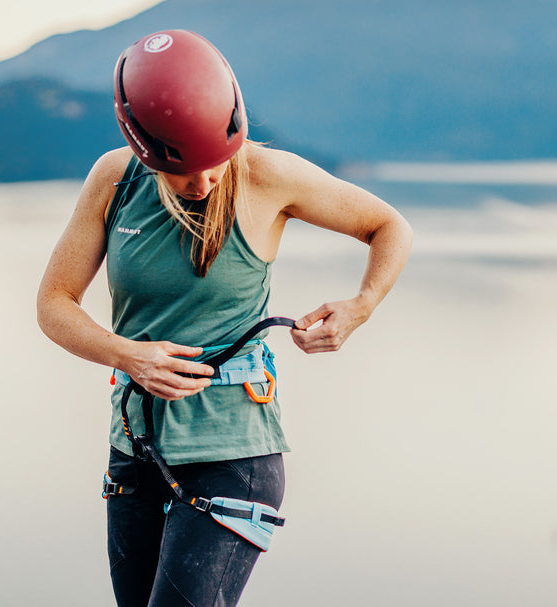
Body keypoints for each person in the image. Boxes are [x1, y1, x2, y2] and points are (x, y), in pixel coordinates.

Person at [36, 29, 412, 607]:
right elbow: (54, 302)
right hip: (135, 452)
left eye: (215, 162)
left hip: (234, 457)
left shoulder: (268, 175)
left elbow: (389, 227)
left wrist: (360, 306)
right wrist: (125, 353)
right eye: (185, 171)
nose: (206, 181)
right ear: (142, 148)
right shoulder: (114, 181)